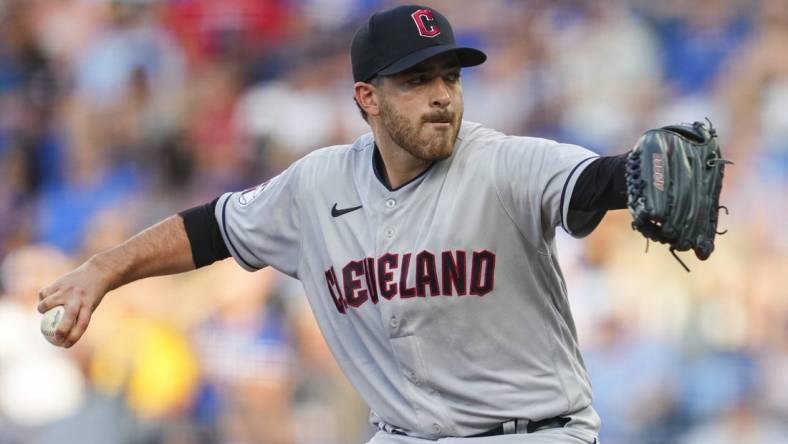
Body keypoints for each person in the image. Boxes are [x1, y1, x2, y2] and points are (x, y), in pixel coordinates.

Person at [38, 5, 631, 443]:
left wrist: (640, 175)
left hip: (533, 433)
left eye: (450, 76)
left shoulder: (504, 162)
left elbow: (591, 179)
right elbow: (209, 230)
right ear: (367, 98)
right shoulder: (317, 185)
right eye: (417, 81)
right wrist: (103, 269)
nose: (442, 96)